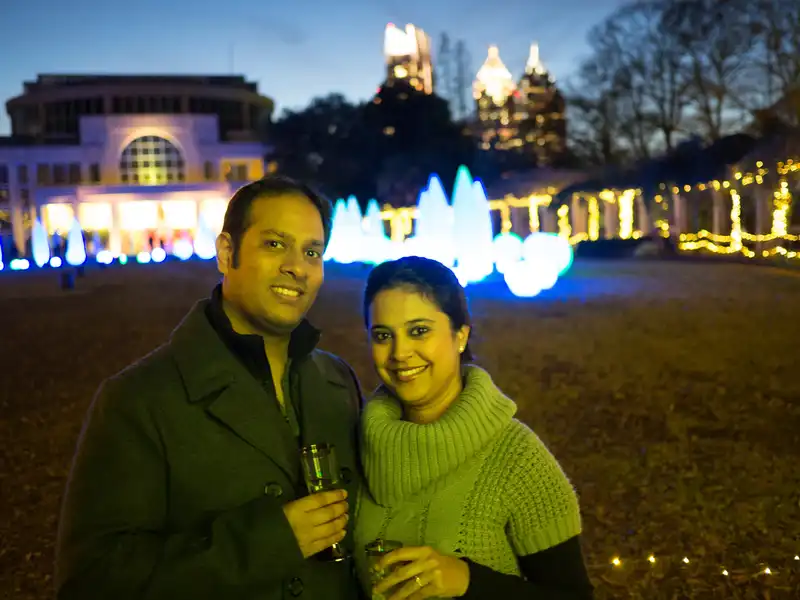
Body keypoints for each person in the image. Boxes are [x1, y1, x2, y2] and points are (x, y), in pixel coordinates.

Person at [56, 176, 365, 600]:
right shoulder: (140, 399)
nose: (297, 266)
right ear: (226, 252)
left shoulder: (337, 382)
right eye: (275, 244)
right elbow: (93, 579)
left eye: (312, 251)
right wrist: (269, 540)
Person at [354, 256, 594, 599]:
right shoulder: (359, 443)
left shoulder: (517, 460)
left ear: (461, 335)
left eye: (419, 331)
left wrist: (468, 581)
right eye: (382, 335)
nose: (400, 353)